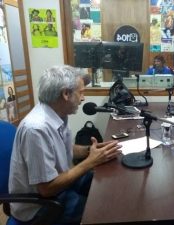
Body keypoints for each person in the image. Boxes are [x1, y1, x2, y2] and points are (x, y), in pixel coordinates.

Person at [9, 65, 122, 224]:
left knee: (108, 188)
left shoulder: (58, 114)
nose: (83, 99)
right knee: (103, 211)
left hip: (60, 187)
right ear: (66, 94)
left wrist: (90, 150)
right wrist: (91, 161)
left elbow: (63, 149)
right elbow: (47, 189)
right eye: (81, 93)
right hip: (40, 207)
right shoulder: (36, 129)